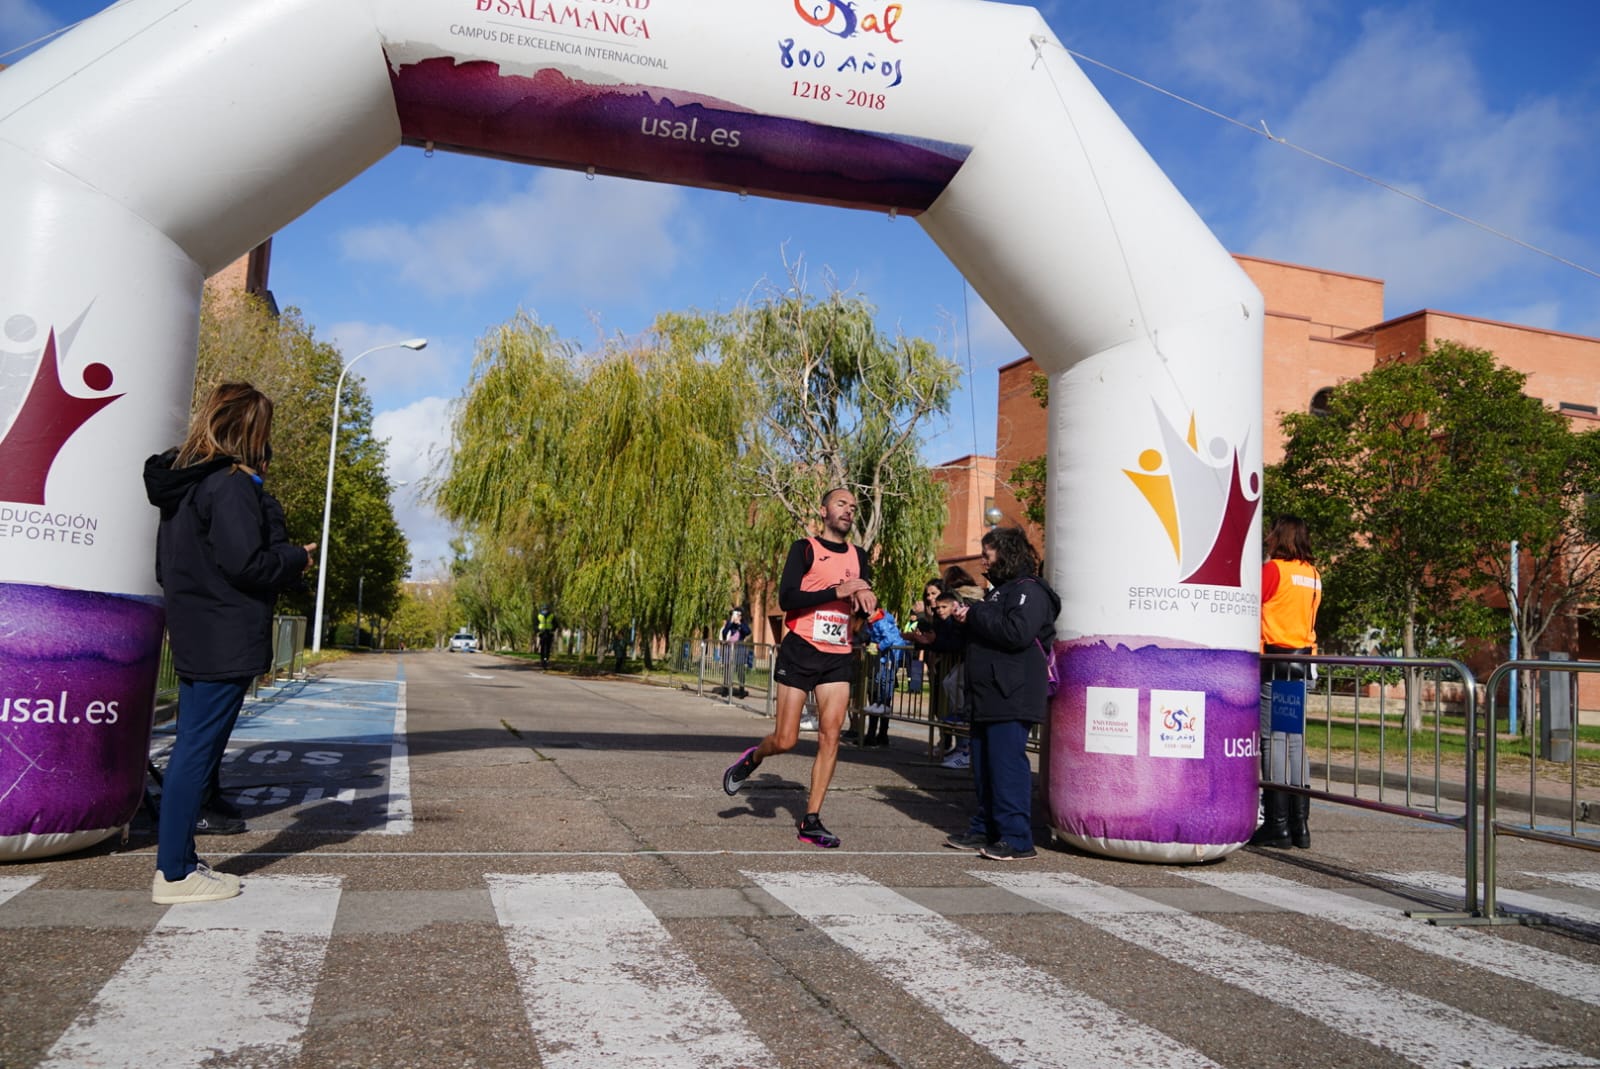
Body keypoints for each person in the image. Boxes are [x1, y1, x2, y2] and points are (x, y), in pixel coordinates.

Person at [143, 383, 314, 904]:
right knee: (197, 750)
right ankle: (174, 872)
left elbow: (164, 567)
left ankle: (181, 863)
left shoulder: (184, 485)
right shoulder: (231, 485)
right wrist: (296, 558)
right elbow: (248, 564)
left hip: (194, 628)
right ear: (249, 430)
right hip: (225, 634)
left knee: (193, 746)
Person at [722, 487, 876, 848]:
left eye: (853, 507)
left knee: (831, 735)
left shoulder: (860, 555)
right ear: (823, 511)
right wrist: (838, 590)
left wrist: (866, 603)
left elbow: (859, 599)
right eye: (841, 504)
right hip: (800, 649)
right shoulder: (804, 548)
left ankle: (811, 819)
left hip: (837, 654)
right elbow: (787, 598)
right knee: (787, 739)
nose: (849, 511)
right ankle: (754, 758)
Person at [945, 526, 1059, 861]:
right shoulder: (1000, 592)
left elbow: (1017, 633)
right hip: (988, 694)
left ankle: (1017, 838)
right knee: (984, 765)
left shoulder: (1029, 591)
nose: (983, 560)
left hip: (1013, 692)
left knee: (1006, 765)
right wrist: (960, 622)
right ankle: (986, 828)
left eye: (987, 553)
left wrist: (977, 613)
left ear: (1006, 552)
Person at [1252, 515, 1323, 850]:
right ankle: (1300, 825)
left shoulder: (1274, 570)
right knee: (1294, 744)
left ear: (1278, 536)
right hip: (1304, 663)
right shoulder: (1312, 574)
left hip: (1275, 661)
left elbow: (1252, 609)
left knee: (1272, 743)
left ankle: (1277, 825)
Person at [719, 607, 752, 698]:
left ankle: (741, 690)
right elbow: (724, 633)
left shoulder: (743, 624)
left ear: (741, 616)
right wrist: (730, 623)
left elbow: (748, 632)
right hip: (730, 648)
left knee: (740, 670)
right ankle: (725, 689)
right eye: (734, 614)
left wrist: (739, 624)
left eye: (737, 615)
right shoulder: (730, 624)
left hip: (740, 648)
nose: (736, 616)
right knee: (727, 669)